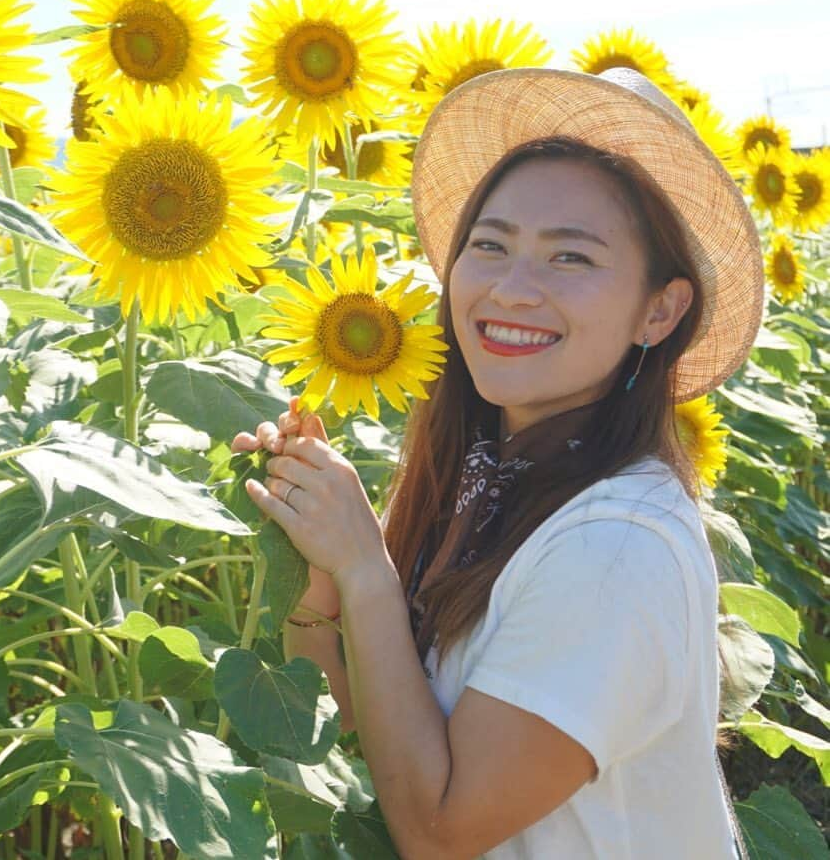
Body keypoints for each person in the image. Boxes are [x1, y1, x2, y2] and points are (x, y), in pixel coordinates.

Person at [231, 67, 763, 859]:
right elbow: (364, 736)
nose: (510, 288)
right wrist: (319, 580)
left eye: (569, 259)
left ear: (659, 309)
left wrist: (366, 569)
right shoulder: (489, 477)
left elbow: (440, 827)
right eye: (489, 245)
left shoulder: (614, 544)